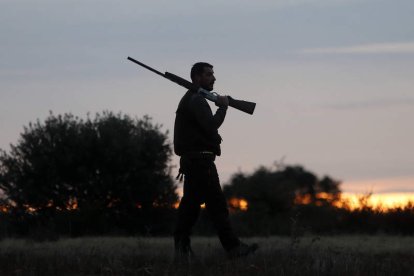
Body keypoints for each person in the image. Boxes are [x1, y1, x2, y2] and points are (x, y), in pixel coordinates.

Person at [173, 62, 258, 261]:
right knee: (216, 207)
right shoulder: (196, 100)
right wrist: (224, 108)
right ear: (197, 78)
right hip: (201, 163)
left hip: (195, 162)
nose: (214, 78)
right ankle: (234, 248)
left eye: (212, 74)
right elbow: (211, 126)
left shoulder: (193, 99)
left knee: (191, 208)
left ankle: (182, 249)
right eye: (209, 74)